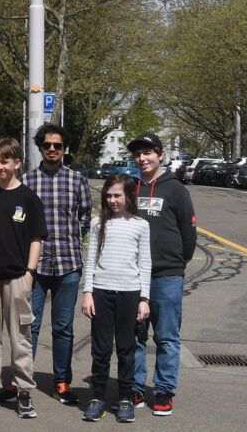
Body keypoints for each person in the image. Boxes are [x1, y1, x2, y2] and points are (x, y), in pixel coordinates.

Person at [0, 137, 46, 419]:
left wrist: (30, 273)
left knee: (20, 336)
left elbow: (37, 238)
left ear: (17, 163)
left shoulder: (28, 198)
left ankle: (24, 389)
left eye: (4, 161)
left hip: (18, 277)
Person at [128, 133, 196, 417]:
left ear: (161, 155)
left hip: (166, 276)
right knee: (135, 335)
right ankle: (135, 386)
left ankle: (164, 390)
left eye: (148, 153)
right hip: (132, 276)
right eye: (138, 154)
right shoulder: (130, 188)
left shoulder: (176, 189)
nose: (142, 158)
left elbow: (188, 233)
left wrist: (176, 264)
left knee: (166, 336)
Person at [26, 123, 92, 407]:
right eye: (47, 145)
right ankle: (23, 380)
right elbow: (19, 218)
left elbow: (86, 216)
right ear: (40, 147)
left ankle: (61, 382)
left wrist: (72, 237)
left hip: (68, 264)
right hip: (35, 266)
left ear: (65, 149)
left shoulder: (77, 180)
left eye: (58, 146)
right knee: (30, 324)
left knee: (63, 327)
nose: (52, 149)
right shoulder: (27, 181)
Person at [80, 174, 152, 424]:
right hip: (101, 291)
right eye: (108, 195)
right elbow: (90, 261)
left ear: (130, 196)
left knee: (126, 349)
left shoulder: (141, 225)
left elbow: (145, 264)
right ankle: (97, 396)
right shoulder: (99, 223)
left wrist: (144, 298)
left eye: (117, 195)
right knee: (100, 350)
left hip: (129, 293)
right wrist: (87, 293)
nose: (112, 200)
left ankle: (124, 397)